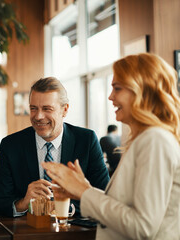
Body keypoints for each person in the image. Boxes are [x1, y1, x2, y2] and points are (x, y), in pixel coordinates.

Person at [43, 53, 180, 239]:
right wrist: (83, 189)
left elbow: (142, 226)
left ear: (142, 91)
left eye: (117, 88)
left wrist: (85, 192)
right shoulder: (146, 139)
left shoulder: (155, 140)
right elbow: (125, 207)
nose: (110, 96)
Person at [0, 77, 110, 217]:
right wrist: (24, 203)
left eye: (47, 109)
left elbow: (104, 199)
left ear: (64, 110)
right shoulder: (11, 145)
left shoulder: (86, 141)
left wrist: (62, 206)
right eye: (34, 108)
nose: (39, 116)